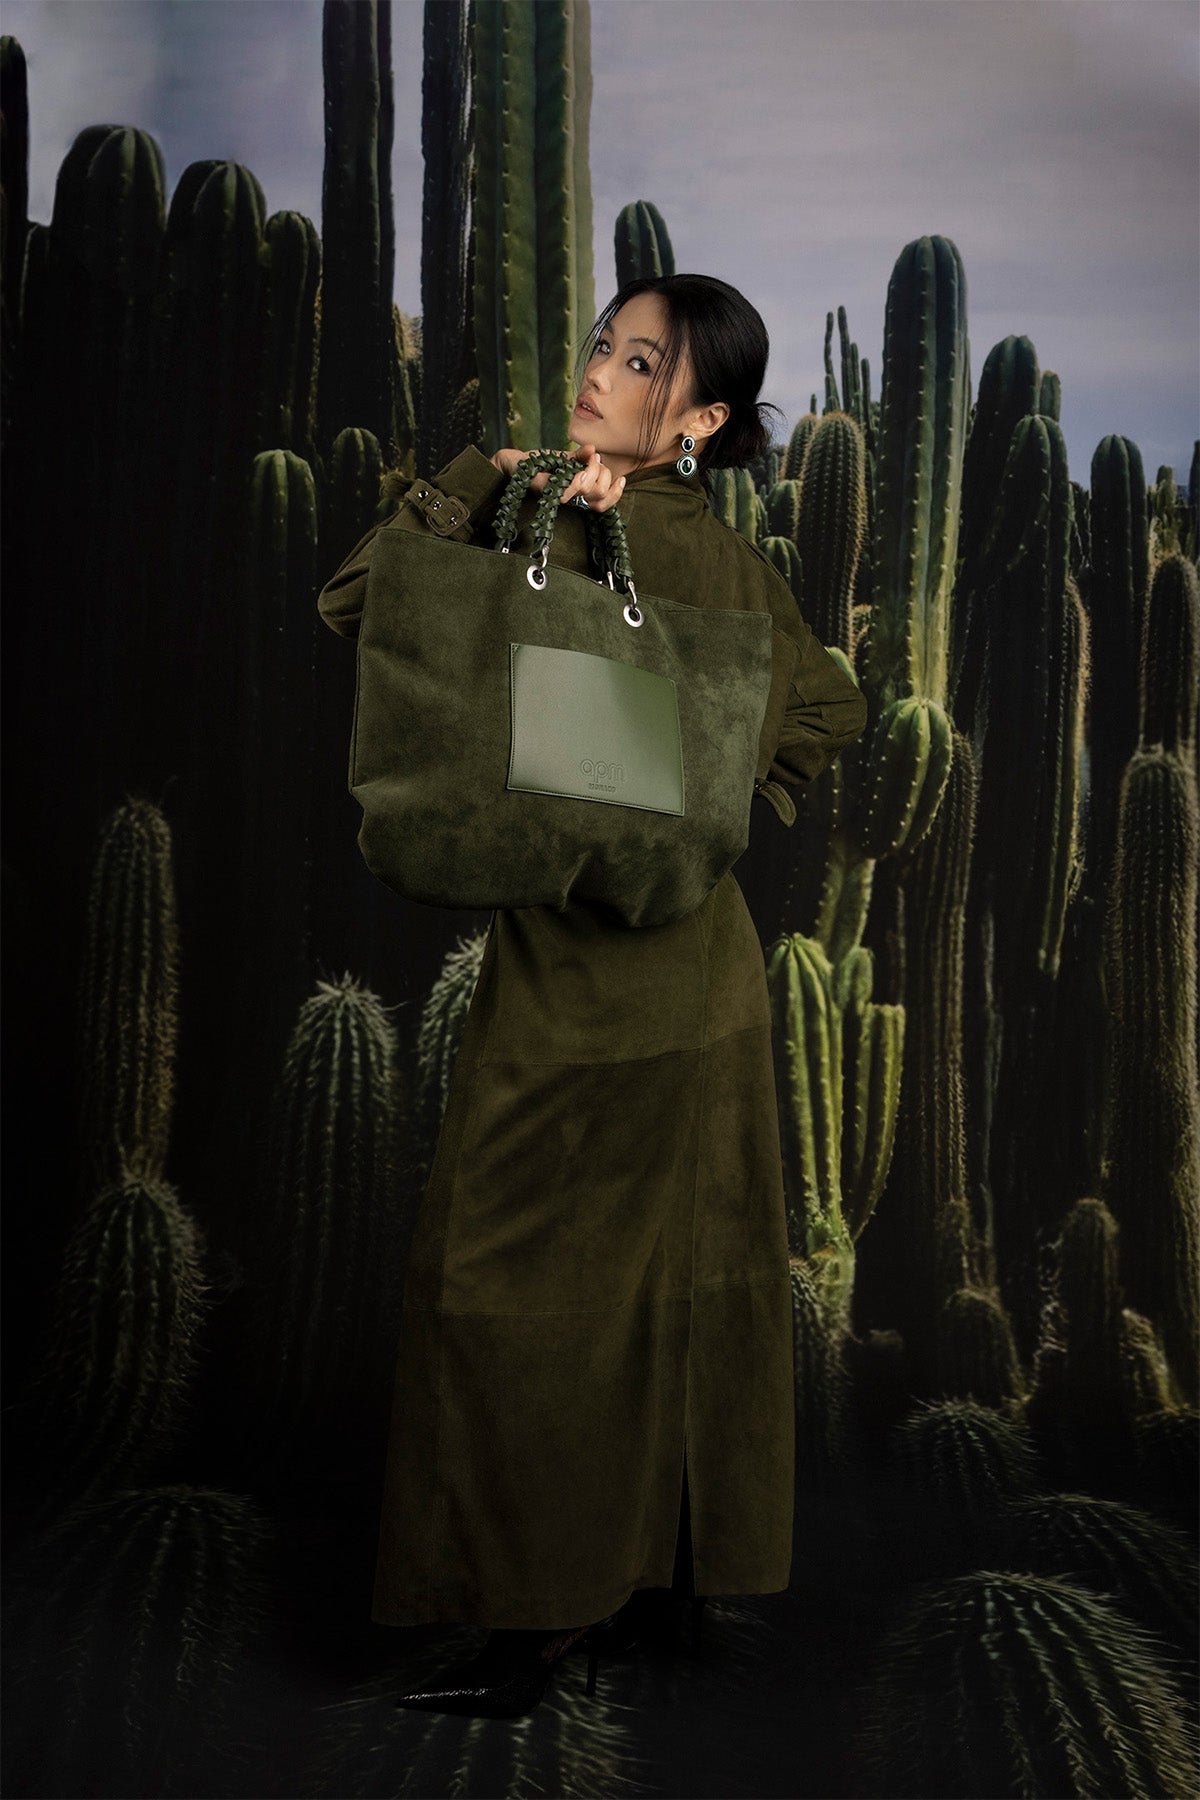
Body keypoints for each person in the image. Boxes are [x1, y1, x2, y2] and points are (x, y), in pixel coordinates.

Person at [315, 274, 869, 1719]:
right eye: (600, 347)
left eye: (640, 362)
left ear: (697, 419)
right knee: (646, 1293)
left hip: (627, 994)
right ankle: (622, 1596)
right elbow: (819, 709)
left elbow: (357, 602)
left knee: (547, 1299)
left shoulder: (586, 534)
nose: (598, 373)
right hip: (630, 977)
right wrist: (685, 784)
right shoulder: (542, 509)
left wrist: (668, 789)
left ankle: (540, 1627)